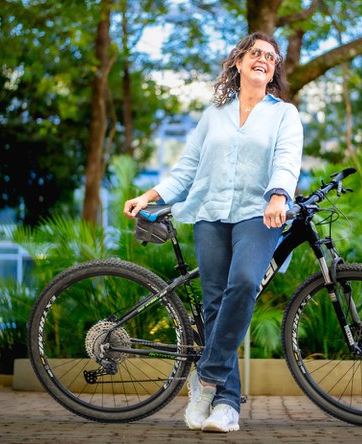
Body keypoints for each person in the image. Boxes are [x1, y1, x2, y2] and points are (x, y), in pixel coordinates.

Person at [123, 32, 303, 433]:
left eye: (270, 57)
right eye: (255, 53)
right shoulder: (214, 115)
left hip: (259, 214)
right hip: (209, 213)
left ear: (273, 70)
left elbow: (287, 159)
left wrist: (278, 194)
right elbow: (187, 168)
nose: (263, 60)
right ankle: (225, 405)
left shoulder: (283, 114)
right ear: (238, 62)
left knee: (243, 283)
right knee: (215, 306)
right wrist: (150, 195)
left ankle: (206, 377)